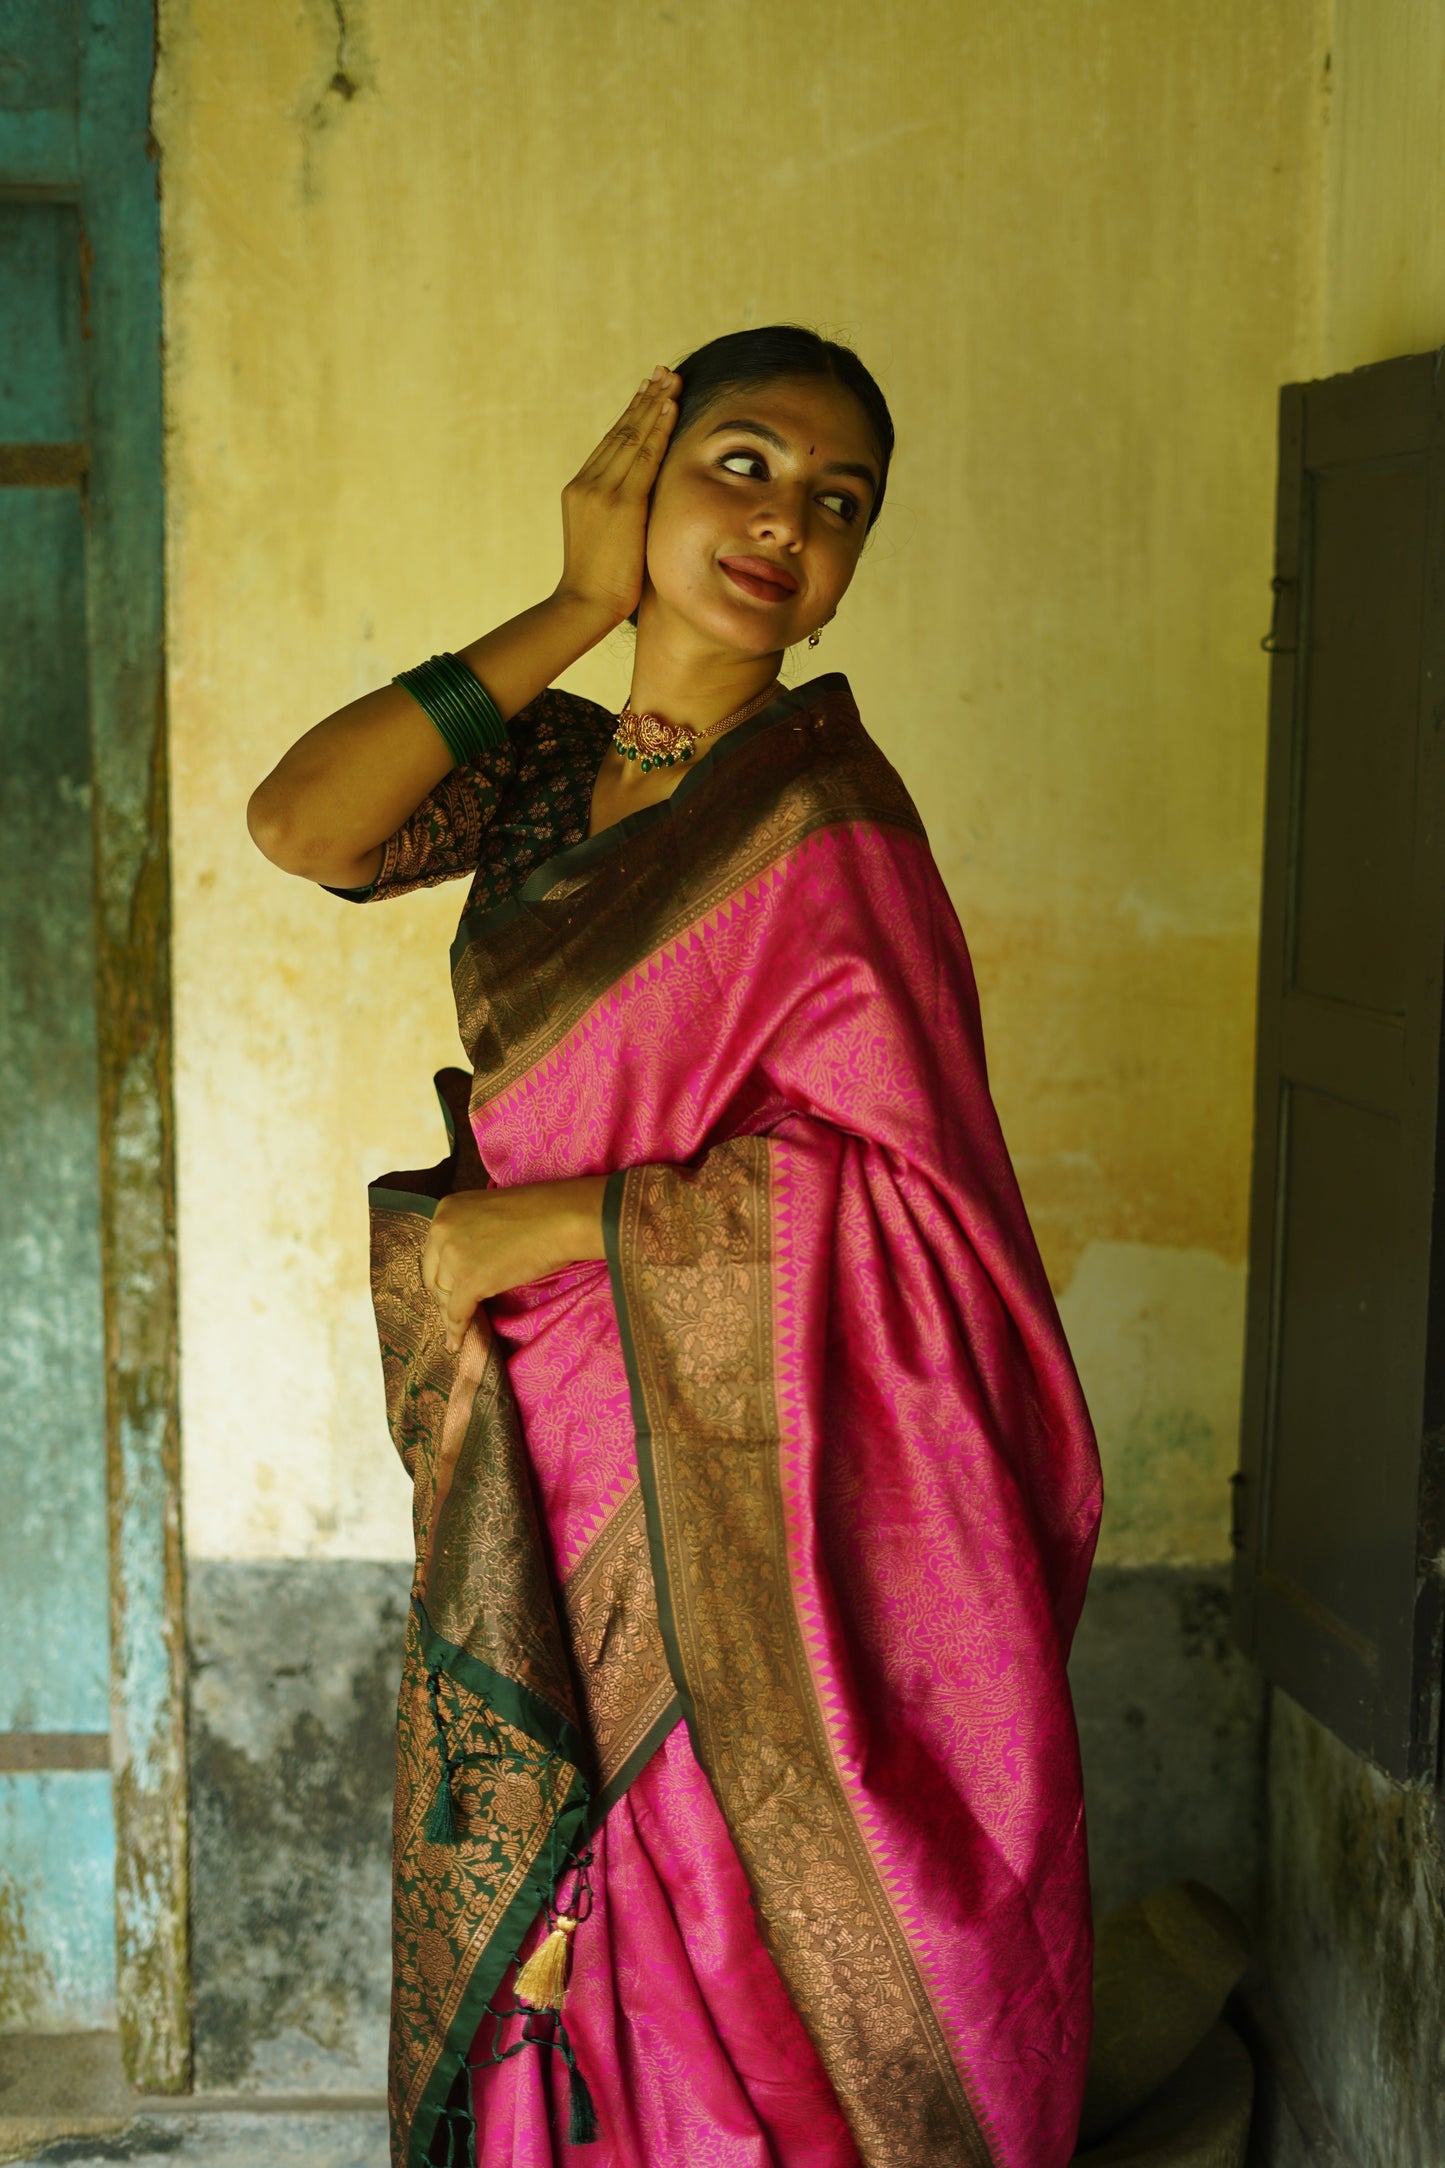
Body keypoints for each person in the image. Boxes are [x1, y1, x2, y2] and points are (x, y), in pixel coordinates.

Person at [248, 326, 1102, 2168]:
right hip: (546, 1430)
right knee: (575, 1879)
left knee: (723, 1861)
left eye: (837, 501)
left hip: (750, 1464)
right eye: (743, 462)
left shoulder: (828, 818)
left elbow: (913, 1199)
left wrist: (556, 1221)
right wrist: (572, 598)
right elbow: (301, 820)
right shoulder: (543, 777)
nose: (787, 520)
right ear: (643, 473)